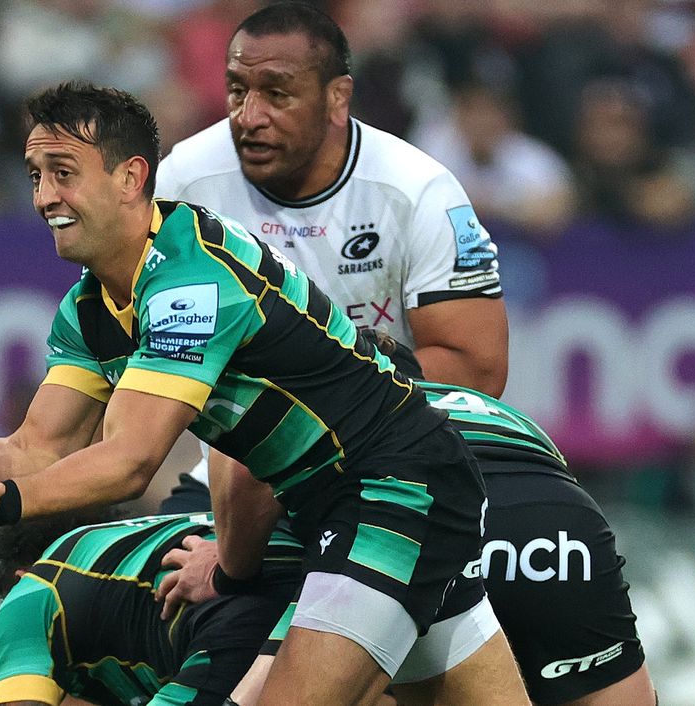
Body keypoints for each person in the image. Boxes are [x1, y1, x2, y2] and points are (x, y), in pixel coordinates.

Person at [0, 81, 527, 705]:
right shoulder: (88, 308)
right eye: (36, 175)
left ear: (131, 177)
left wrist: (9, 502)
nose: (44, 197)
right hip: (343, 507)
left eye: (64, 173)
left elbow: (131, 460)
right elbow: (39, 445)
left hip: (394, 492)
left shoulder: (191, 280)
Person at [163, 330, 655, 706]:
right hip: (557, 526)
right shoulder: (490, 407)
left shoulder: (348, 404)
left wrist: (228, 570)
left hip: (419, 524)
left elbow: (247, 473)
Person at [153, 2, 505, 514]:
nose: (249, 116)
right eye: (237, 91)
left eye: (277, 94)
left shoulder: (418, 190)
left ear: (337, 98)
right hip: (238, 472)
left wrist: (312, 397)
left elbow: (479, 369)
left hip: (386, 465)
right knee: (153, 561)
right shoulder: (185, 181)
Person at [0, 510, 304, 706]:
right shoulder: (127, 551)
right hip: (313, 588)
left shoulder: (33, 589)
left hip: (232, 619)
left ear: (20, 579)